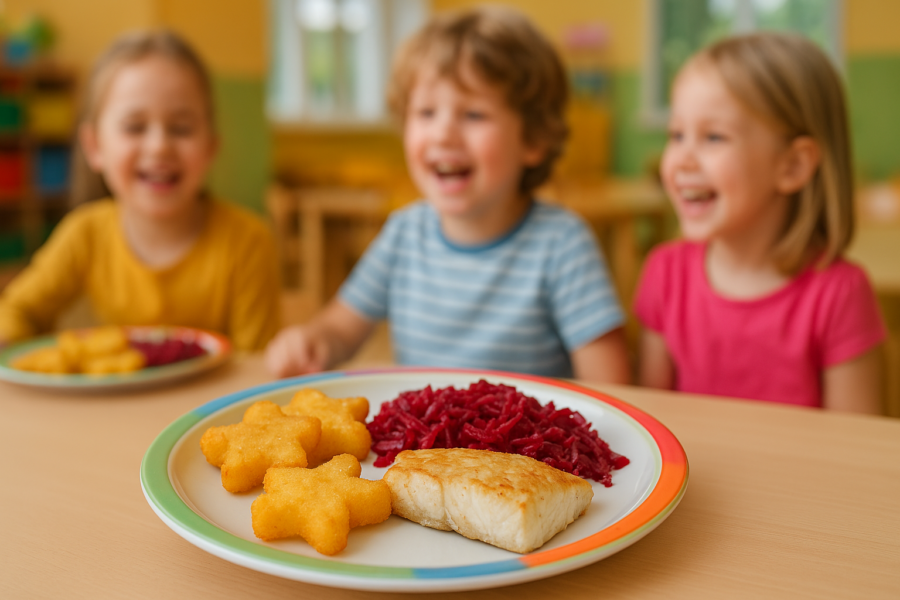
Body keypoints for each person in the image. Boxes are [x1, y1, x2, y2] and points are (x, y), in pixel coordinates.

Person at [266, 6, 630, 382]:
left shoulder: (562, 244)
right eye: (425, 112)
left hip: (523, 441)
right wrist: (313, 340)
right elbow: (341, 329)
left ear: (534, 138)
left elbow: (610, 386)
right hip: (427, 440)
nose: (442, 135)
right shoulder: (404, 234)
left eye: (473, 114)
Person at [635, 33, 885, 413]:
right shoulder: (664, 273)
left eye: (714, 137)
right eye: (676, 134)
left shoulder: (840, 294)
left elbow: (858, 451)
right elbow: (651, 428)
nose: (681, 160)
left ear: (793, 165)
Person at [0, 30, 280, 352]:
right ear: (94, 147)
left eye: (181, 128)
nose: (159, 146)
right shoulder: (85, 234)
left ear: (210, 148)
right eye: (135, 127)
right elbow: (14, 311)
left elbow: (257, 372)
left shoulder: (247, 242)